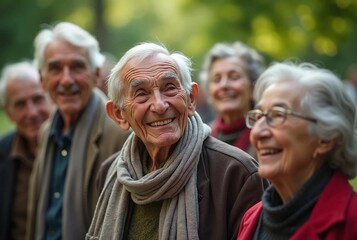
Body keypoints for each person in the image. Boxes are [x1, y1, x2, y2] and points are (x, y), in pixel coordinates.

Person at [86, 42, 268, 240]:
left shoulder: (237, 173)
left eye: (169, 88)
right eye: (141, 94)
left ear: (191, 99)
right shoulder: (110, 173)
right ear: (119, 115)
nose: (159, 105)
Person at [26, 22, 131, 240]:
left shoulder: (121, 133)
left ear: (95, 75)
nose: (66, 79)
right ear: (42, 79)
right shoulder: (47, 133)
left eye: (77, 67)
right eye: (55, 68)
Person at [238, 62, 357, 239]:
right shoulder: (251, 218)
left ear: (325, 138)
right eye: (259, 116)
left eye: (278, 115)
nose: (257, 133)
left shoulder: (351, 223)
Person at [0, 61, 53, 240]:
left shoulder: (74, 145)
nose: (31, 112)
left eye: (38, 99)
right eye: (20, 104)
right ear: (8, 112)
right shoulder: (3, 151)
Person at [199, 41, 265, 157]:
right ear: (209, 91)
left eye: (234, 77)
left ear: (253, 87)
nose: (224, 85)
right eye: (217, 79)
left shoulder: (266, 134)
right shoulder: (201, 137)